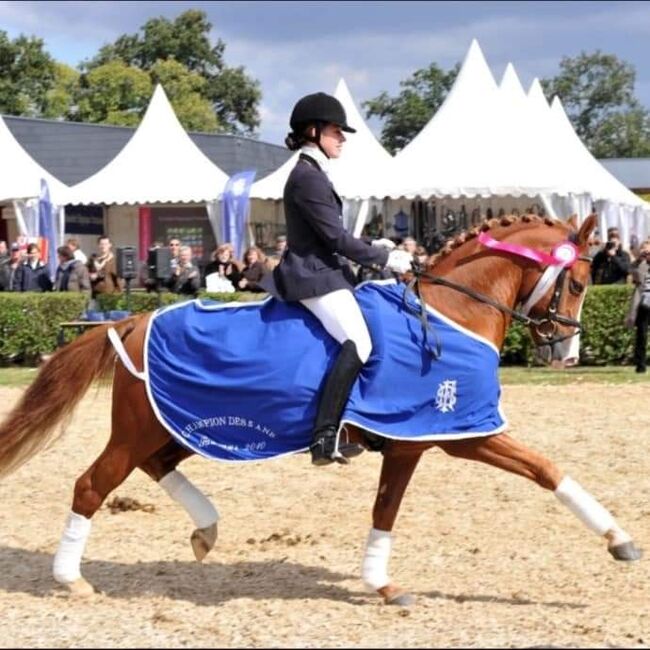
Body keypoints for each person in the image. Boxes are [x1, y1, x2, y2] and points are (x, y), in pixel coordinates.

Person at [260, 91, 412, 467]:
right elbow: (335, 239)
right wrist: (385, 257)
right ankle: (324, 437)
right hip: (313, 276)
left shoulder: (313, 173)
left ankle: (361, 423)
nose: (341, 138)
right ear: (313, 131)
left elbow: (335, 235)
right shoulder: (307, 177)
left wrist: (374, 246)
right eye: (334, 131)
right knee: (359, 342)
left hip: (326, 273)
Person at [625, 239, 650, 373]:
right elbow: (636, 275)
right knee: (642, 334)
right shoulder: (639, 264)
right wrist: (641, 260)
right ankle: (641, 364)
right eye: (644, 251)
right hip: (643, 302)